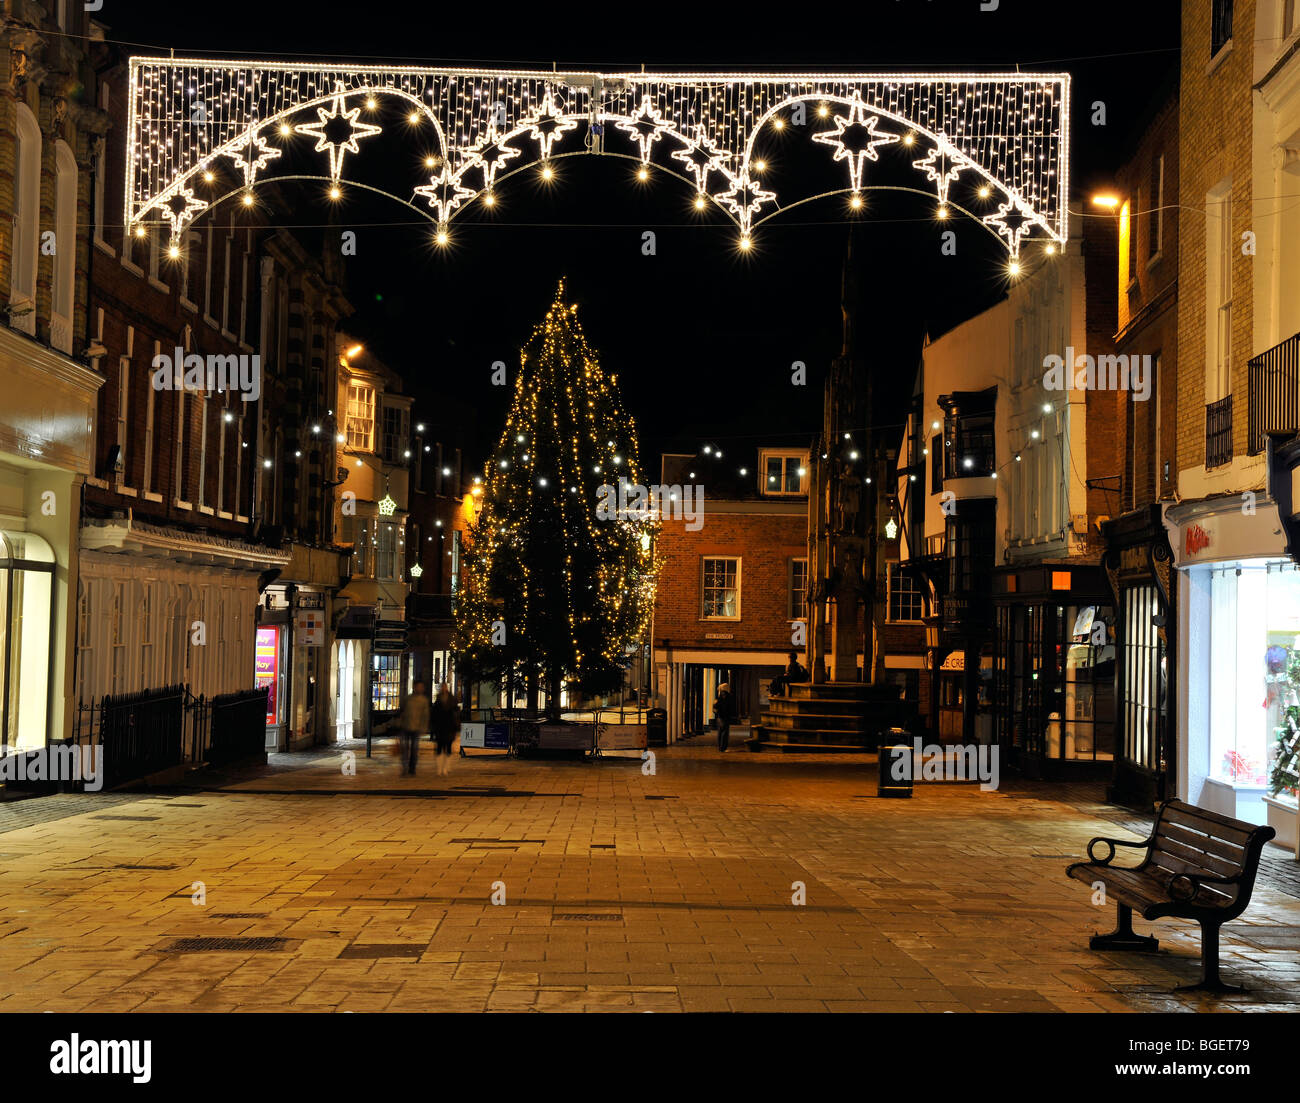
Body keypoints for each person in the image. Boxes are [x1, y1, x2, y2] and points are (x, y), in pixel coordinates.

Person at [396, 681, 431, 776]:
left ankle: (412, 768)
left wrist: (423, 727)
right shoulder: (407, 699)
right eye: (418, 687)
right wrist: (400, 724)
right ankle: (405, 767)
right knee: (405, 749)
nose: (420, 689)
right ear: (414, 687)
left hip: (416, 728)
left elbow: (425, 715)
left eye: (421, 687)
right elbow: (402, 712)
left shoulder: (424, 700)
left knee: (414, 749)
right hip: (406, 726)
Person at [430, 683, 460, 777]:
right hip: (440, 727)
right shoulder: (438, 701)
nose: (443, 689)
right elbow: (434, 714)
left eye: (445, 687)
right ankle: (440, 769)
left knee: (448, 747)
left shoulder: (452, 700)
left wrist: (456, 725)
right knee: (439, 747)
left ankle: (446, 768)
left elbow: (456, 714)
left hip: (449, 727)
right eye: (442, 687)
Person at [714, 682, 737, 752]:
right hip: (725, 717)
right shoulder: (728, 697)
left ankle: (720, 747)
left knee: (720, 732)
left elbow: (715, 707)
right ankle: (723, 747)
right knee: (725, 733)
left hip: (719, 717)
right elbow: (730, 707)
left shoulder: (719, 698)